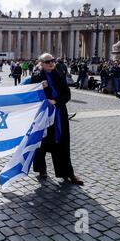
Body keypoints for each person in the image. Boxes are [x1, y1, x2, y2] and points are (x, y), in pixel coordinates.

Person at [31, 53, 83, 186]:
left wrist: (56, 101)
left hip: (59, 114)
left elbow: (67, 94)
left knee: (63, 143)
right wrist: (39, 89)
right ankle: (42, 169)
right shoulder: (37, 77)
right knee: (42, 143)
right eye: (48, 61)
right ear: (41, 63)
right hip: (43, 115)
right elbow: (31, 96)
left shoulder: (59, 75)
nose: (51, 63)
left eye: (53, 61)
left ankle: (68, 172)